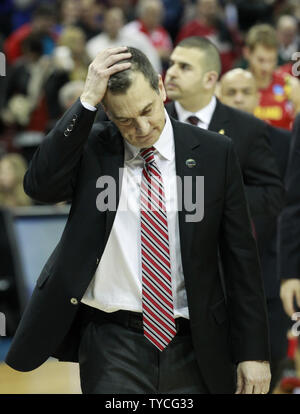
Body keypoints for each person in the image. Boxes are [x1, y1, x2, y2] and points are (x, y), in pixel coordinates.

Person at [5, 46, 271, 394]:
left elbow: (241, 259)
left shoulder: (214, 152)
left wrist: (254, 353)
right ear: (106, 113)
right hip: (111, 341)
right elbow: (39, 185)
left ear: (161, 88)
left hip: (195, 338)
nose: (143, 127)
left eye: (147, 110)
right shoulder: (93, 147)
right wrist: (86, 100)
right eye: (125, 120)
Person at [218, 68, 291, 392]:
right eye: (230, 92)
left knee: (271, 363)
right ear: (217, 94)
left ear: (257, 97)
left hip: (270, 272)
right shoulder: (197, 142)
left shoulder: (285, 144)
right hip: (216, 280)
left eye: (245, 92)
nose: (238, 99)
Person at [164, 36, 284, 219]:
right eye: (171, 63)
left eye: (184, 67)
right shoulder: (154, 120)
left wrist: (216, 200)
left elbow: (271, 194)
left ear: (210, 79)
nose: (171, 72)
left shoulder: (248, 128)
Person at [243, 24, 300, 130]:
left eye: (271, 60)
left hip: (284, 144)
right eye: (261, 60)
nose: (266, 67)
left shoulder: (291, 84)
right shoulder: (236, 86)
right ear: (247, 53)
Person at [86, 7, 162, 73]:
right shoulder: (93, 45)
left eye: (117, 21)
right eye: (111, 21)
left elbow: (152, 58)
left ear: (123, 22)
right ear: (104, 23)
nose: (114, 25)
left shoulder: (138, 39)